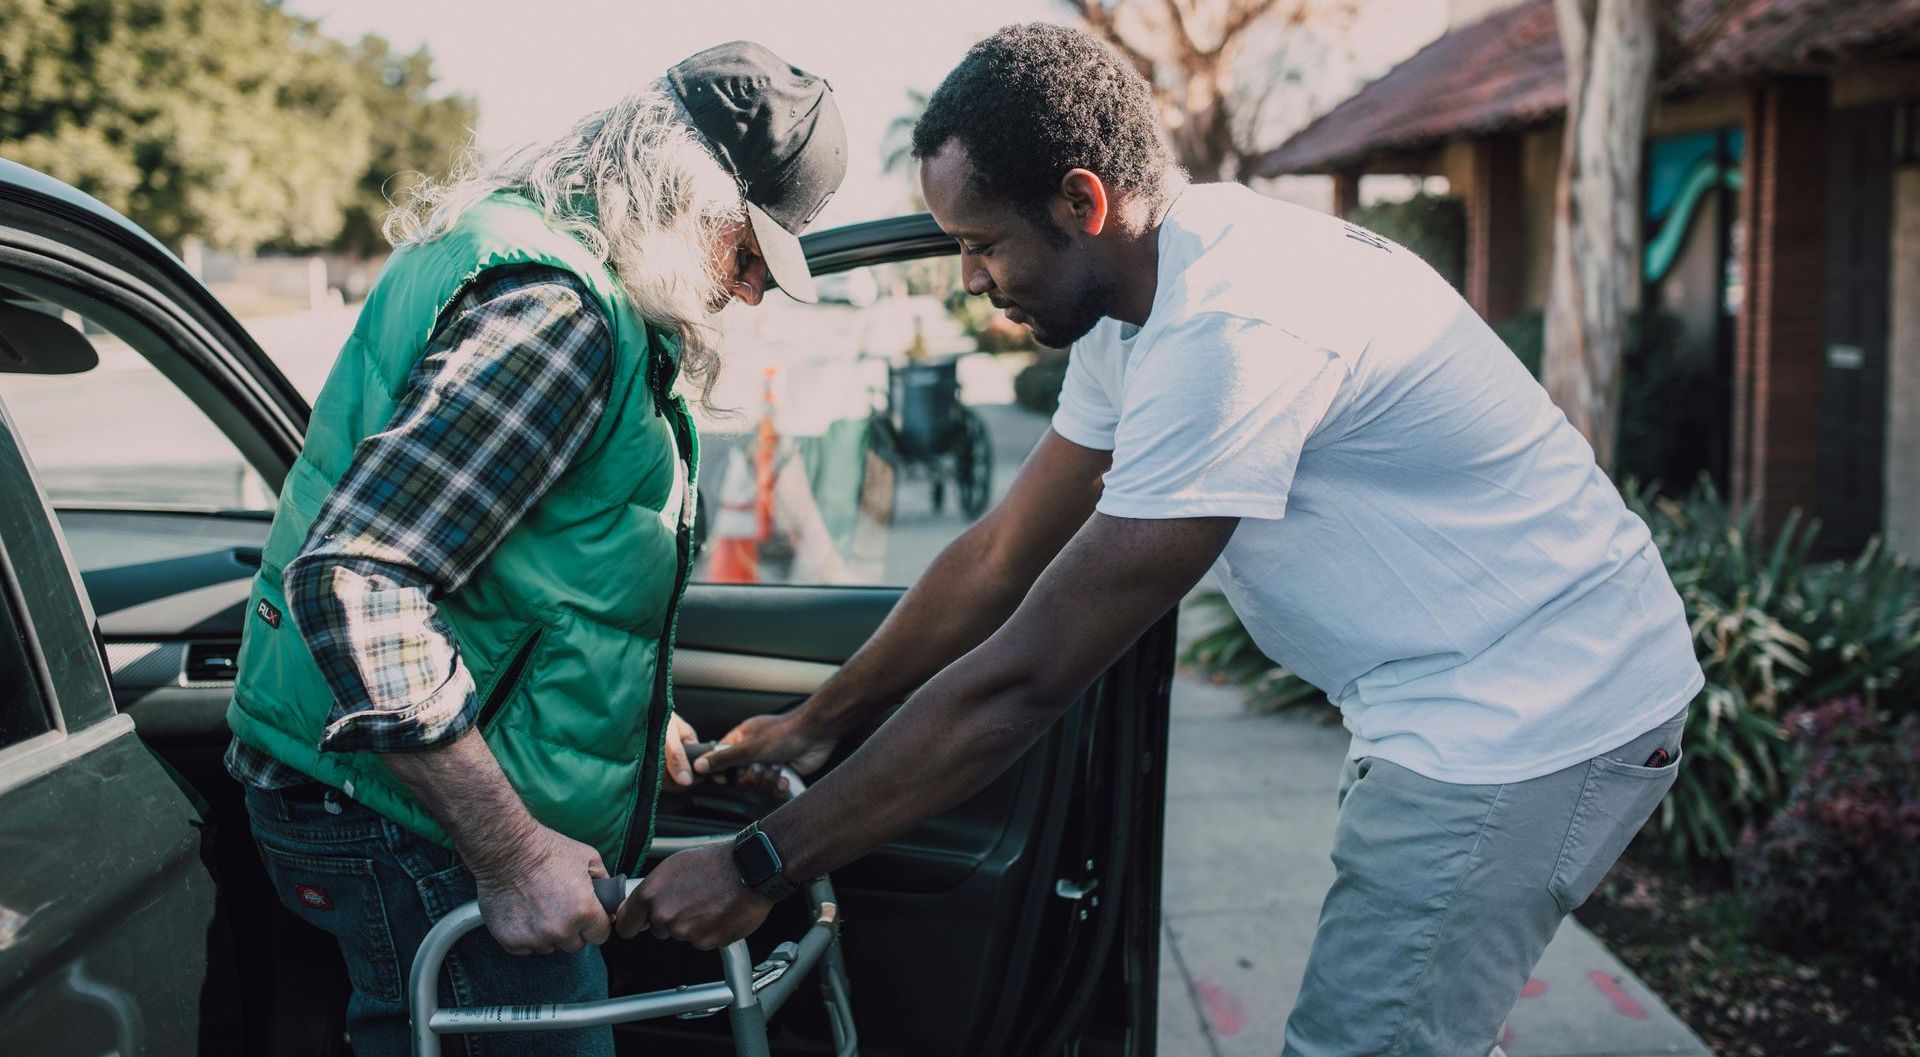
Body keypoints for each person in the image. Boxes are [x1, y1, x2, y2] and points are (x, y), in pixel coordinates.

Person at [625, 23, 1702, 1057]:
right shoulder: (1141, 303)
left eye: (981, 244)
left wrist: (761, 866)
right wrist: (816, 725)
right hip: (1455, 700)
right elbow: (1004, 554)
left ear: (1083, 202)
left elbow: (1031, 673)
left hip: (1535, 715)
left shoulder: (1231, 323)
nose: (969, 279)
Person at [223, 41, 845, 1056]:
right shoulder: (561, 315)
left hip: (382, 794)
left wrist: (630, 718)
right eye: (747, 254)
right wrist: (511, 854)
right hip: (415, 826)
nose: (749, 293)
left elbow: (522, 564)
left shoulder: (534, 263)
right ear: (686, 193)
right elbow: (362, 579)